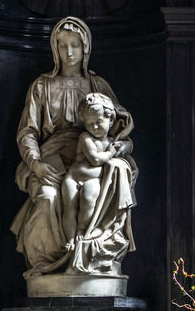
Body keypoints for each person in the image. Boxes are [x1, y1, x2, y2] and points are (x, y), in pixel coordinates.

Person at [11, 16, 136, 281]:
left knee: (100, 188)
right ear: (55, 49)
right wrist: (35, 164)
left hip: (92, 160)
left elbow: (119, 120)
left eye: (75, 46)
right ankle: (49, 265)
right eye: (63, 45)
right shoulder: (42, 86)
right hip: (51, 158)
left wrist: (121, 144)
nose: (69, 52)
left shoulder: (97, 85)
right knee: (47, 197)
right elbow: (28, 132)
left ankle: (89, 255)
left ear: (85, 48)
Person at [62, 92, 130, 248]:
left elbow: (126, 146)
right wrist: (111, 152)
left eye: (99, 121)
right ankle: (70, 239)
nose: (95, 127)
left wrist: (126, 146)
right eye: (90, 123)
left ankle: (81, 232)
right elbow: (95, 159)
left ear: (111, 119)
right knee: (70, 208)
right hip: (72, 179)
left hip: (93, 180)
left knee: (88, 201)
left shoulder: (112, 141)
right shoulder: (85, 138)